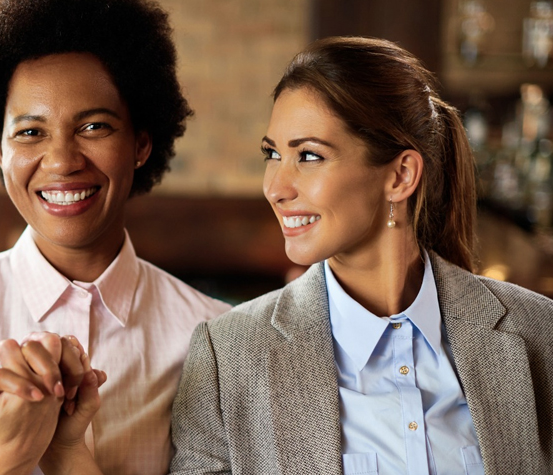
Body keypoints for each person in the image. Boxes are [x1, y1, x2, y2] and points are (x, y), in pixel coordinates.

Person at [0, 0, 230, 473]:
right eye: (30, 132)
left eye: (94, 126)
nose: (62, 161)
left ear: (141, 144)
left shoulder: (216, 337)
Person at [169, 36, 553, 474]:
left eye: (308, 156)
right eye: (272, 154)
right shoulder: (228, 358)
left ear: (400, 176)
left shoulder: (538, 336)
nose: (275, 187)